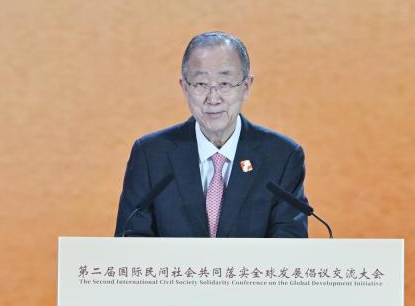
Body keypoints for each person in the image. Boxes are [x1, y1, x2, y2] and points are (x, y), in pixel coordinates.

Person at [115, 31, 308, 238]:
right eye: (201, 84)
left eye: (224, 84)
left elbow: (290, 245)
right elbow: (131, 240)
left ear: (246, 86)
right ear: (184, 88)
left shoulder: (282, 157)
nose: (213, 98)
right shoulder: (151, 155)